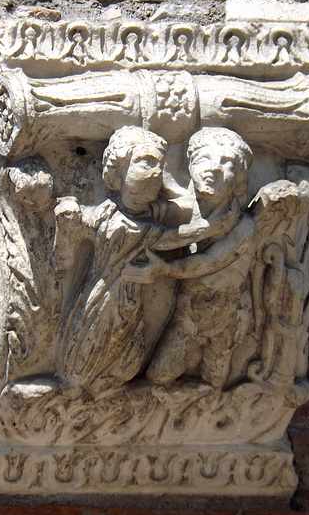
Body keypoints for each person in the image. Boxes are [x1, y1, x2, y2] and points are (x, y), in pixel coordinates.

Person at [55, 126, 237, 393]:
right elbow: (172, 238)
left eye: (160, 166)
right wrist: (213, 227)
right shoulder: (115, 221)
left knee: (129, 361)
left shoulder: (148, 219)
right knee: (87, 353)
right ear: (117, 172)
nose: (155, 174)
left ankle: (103, 387)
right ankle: (76, 386)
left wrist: (211, 226)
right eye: (145, 163)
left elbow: (174, 229)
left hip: (130, 305)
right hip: (103, 302)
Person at [122, 127, 256, 390]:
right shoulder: (185, 211)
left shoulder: (243, 226)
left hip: (227, 315)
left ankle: (203, 418)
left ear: (240, 180)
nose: (214, 170)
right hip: (188, 315)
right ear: (188, 167)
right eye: (204, 159)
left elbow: (208, 262)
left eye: (226, 164)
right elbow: (158, 210)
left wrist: (162, 269)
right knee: (159, 375)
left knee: (215, 380)